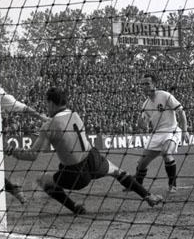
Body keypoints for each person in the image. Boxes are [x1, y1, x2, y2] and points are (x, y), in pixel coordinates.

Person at [8, 86, 164, 215]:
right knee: (119, 172)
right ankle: (148, 196)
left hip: (76, 174)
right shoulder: (75, 114)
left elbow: (32, 155)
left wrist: (11, 151)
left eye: (47, 103)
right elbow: (61, 123)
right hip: (93, 158)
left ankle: (75, 208)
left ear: (51, 103)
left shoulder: (48, 127)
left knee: (43, 180)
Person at [134, 72, 190, 193]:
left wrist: (185, 131)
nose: (144, 86)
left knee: (166, 152)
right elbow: (145, 125)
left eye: (147, 84)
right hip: (157, 134)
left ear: (154, 84)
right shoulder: (145, 104)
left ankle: (172, 185)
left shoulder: (165, 96)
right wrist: (141, 124)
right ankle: (137, 186)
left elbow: (181, 112)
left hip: (171, 131)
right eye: (142, 84)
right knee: (142, 163)